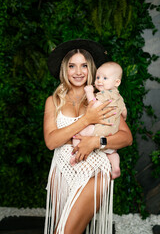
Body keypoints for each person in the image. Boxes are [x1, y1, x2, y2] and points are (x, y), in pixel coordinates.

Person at [43, 39, 133, 234]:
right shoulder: (53, 101)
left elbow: (126, 137)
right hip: (61, 170)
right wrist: (87, 120)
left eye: (84, 65)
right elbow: (51, 141)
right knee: (64, 228)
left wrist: (95, 141)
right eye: (72, 66)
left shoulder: (103, 98)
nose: (78, 72)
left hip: (94, 170)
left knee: (64, 232)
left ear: (91, 68)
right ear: (64, 70)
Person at [70, 61, 127, 180]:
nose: (100, 81)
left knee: (77, 134)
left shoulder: (104, 94)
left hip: (99, 129)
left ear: (117, 82)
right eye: (98, 77)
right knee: (112, 152)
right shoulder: (119, 97)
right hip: (112, 133)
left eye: (105, 78)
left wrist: (89, 92)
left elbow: (95, 107)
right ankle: (116, 167)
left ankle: (76, 155)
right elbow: (124, 113)